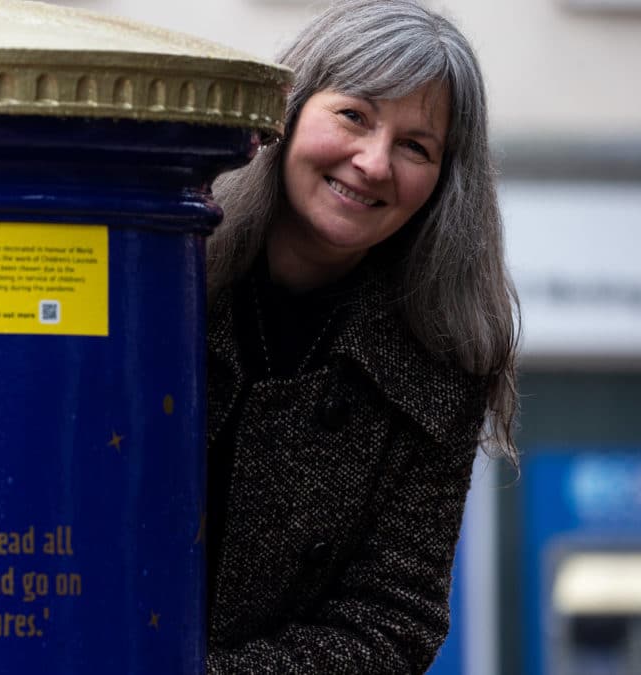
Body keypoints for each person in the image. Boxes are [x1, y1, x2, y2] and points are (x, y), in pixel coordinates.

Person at [204, 0, 519, 672]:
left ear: (442, 182)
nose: (374, 163)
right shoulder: (163, 271)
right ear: (286, 113)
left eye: (415, 146)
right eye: (354, 115)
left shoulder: (442, 359)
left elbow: (394, 618)